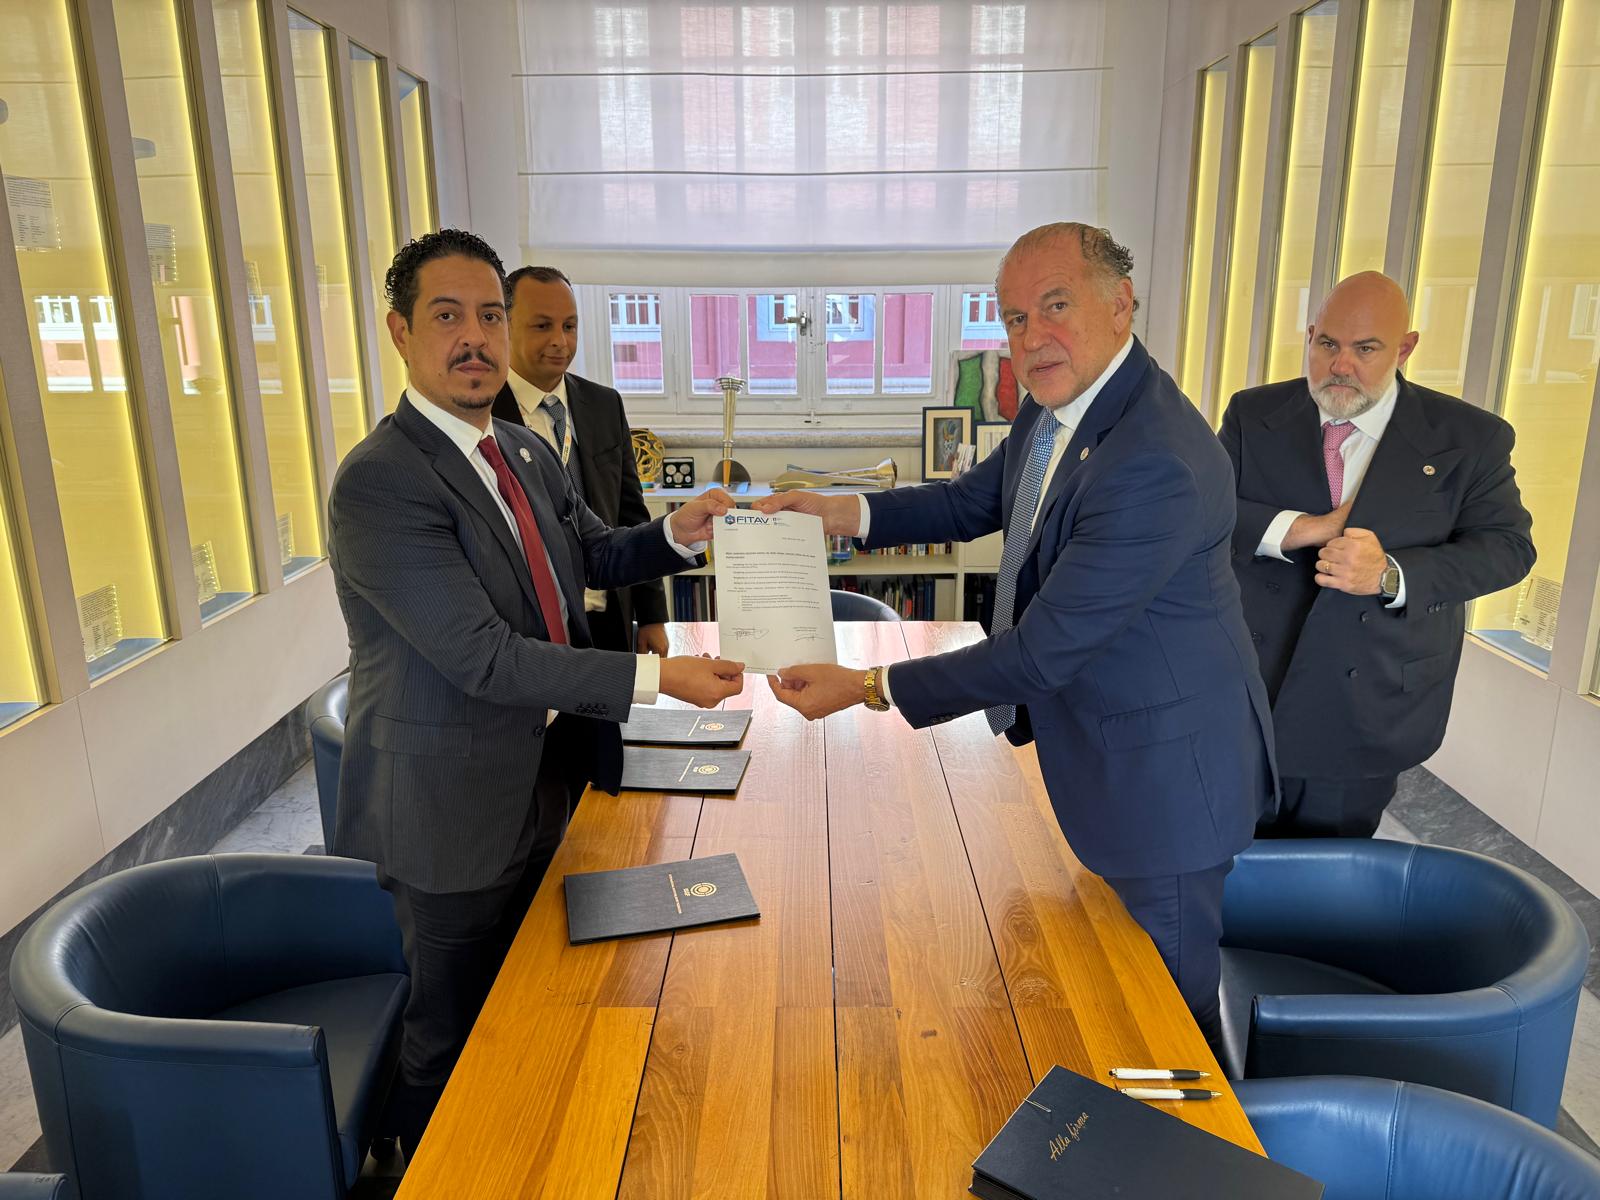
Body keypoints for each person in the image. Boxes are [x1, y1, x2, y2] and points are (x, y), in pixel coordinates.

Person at [754, 222, 1275, 1043]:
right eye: (1015, 317)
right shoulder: (1057, 406)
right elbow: (969, 502)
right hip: (1108, 748)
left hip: (1167, 785)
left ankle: (1208, 1129)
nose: (1032, 338)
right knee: (1108, 994)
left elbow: (1040, 653)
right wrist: (837, 513)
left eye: (1055, 306)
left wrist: (866, 685)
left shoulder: (1154, 461)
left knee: (1167, 1022)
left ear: (1120, 304)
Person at [327, 229, 744, 1153]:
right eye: (448, 316)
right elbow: (484, 658)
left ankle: (522, 1155)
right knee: (449, 1035)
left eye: (488, 316)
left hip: (544, 773)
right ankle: (423, 1169)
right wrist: (656, 677)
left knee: (534, 1000)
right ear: (400, 331)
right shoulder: (381, 483)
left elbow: (592, 551)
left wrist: (675, 532)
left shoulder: (520, 448)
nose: (474, 338)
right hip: (448, 807)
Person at [1220, 271, 1534, 838]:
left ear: (1405, 349)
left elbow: (1508, 548)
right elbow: (1205, 511)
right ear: (1309, 336)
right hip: (1247, 689)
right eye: (1327, 344)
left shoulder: (1470, 437)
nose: (1340, 365)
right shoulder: (1253, 413)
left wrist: (1390, 573)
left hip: (1368, 701)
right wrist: (1300, 529)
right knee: (1219, 855)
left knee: (1330, 871)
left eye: (1365, 349)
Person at [493, 266, 671, 656]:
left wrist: (653, 616)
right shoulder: (483, 413)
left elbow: (631, 513)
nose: (560, 341)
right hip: (530, 630)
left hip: (608, 618)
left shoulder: (604, 404)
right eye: (542, 326)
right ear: (505, 326)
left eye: (569, 326)